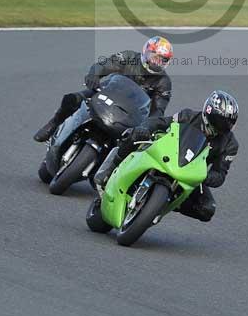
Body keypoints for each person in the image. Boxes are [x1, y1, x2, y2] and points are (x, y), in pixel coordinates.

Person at [91, 90, 239, 223]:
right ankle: (109, 170)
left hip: (190, 174)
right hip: (165, 153)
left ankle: (164, 204)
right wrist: (144, 128)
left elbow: (220, 175)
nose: (223, 127)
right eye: (220, 122)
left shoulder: (231, 145)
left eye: (228, 123)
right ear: (208, 113)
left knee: (207, 209)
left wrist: (204, 176)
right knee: (134, 135)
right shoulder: (188, 116)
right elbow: (162, 122)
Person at [33, 36, 173, 142]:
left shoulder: (163, 82)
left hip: (131, 115)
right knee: (71, 99)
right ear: (145, 52)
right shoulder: (129, 57)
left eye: (162, 60)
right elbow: (105, 64)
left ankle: (109, 173)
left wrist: (145, 127)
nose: (156, 62)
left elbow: (157, 111)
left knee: (136, 142)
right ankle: (54, 124)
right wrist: (94, 75)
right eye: (154, 57)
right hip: (107, 94)